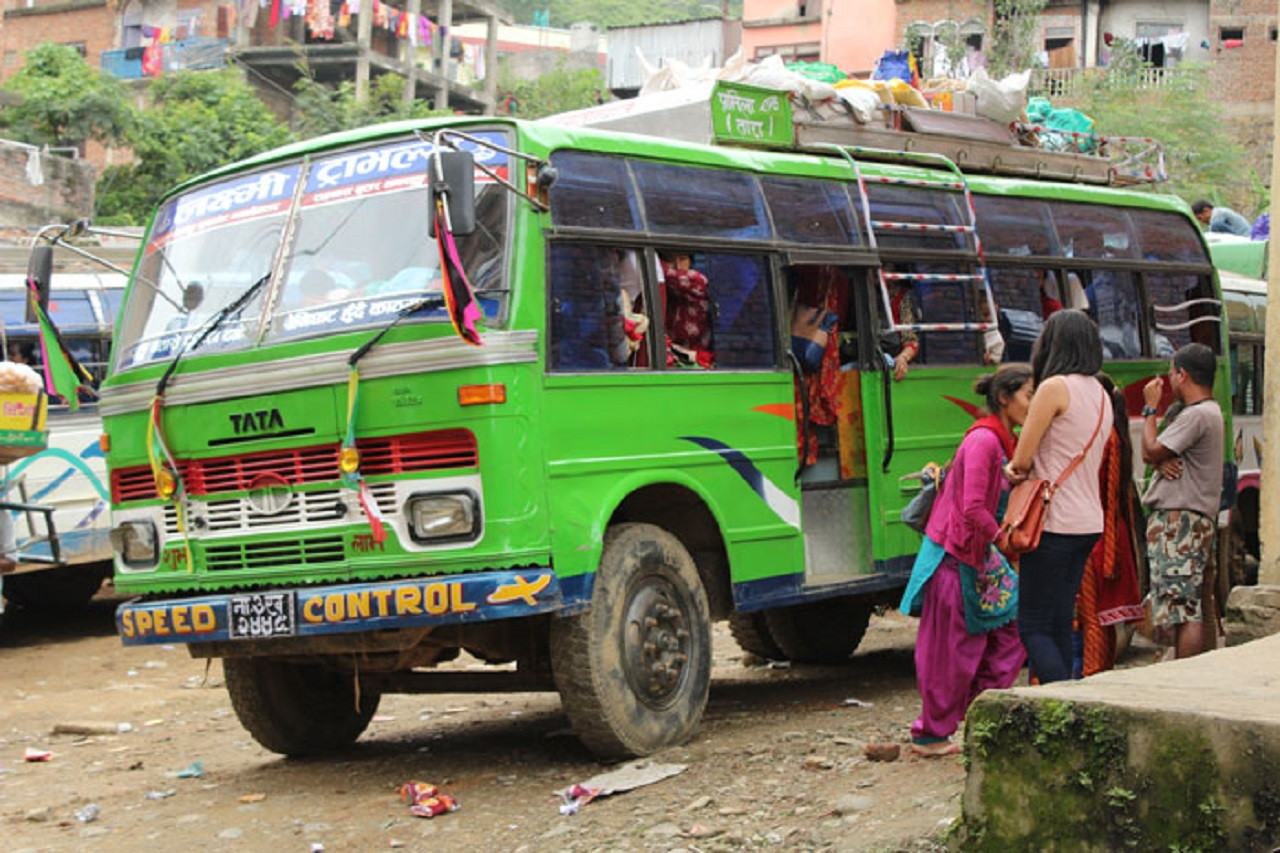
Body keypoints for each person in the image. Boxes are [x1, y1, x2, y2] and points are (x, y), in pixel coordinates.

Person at [900, 364, 1033, 756]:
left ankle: (980, 712)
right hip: (956, 557)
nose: (1034, 404)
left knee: (1007, 635)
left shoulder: (998, 440)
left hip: (974, 555)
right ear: (1005, 398)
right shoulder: (985, 442)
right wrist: (1004, 538)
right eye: (1029, 395)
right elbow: (974, 507)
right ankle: (931, 734)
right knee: (950, 651)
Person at [1004, 310, 1112, 684]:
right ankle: (1067, 702)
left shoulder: (1053, 388)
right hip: (1087, 522)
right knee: (1060, 621)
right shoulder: (1102, 393)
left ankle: (1062, 704)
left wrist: (1009, 471)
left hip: (1052, 523)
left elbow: (1022, 459)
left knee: (1032, 625)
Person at [1140, 343, 1224, 660]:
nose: (1170, 380)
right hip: (1192, 521)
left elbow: (1150, 450)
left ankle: (1185, 675)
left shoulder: (1197, 414)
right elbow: (1160, 455)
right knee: (1192, 602)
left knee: (1182, 609)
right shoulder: (1208, 413)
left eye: (1172, 373)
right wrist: (1160, 460)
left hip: (1180, 524)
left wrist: (1150, 408)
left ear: (1182, 375)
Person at [1074, 374, 1145, 677]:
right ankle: (1098, 674)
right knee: (1099, 620)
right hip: (1108, 536)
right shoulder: (1117, 436)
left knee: (1091, 619)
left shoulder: (1104, 440)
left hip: (1096, 538)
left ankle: (1091, 679)